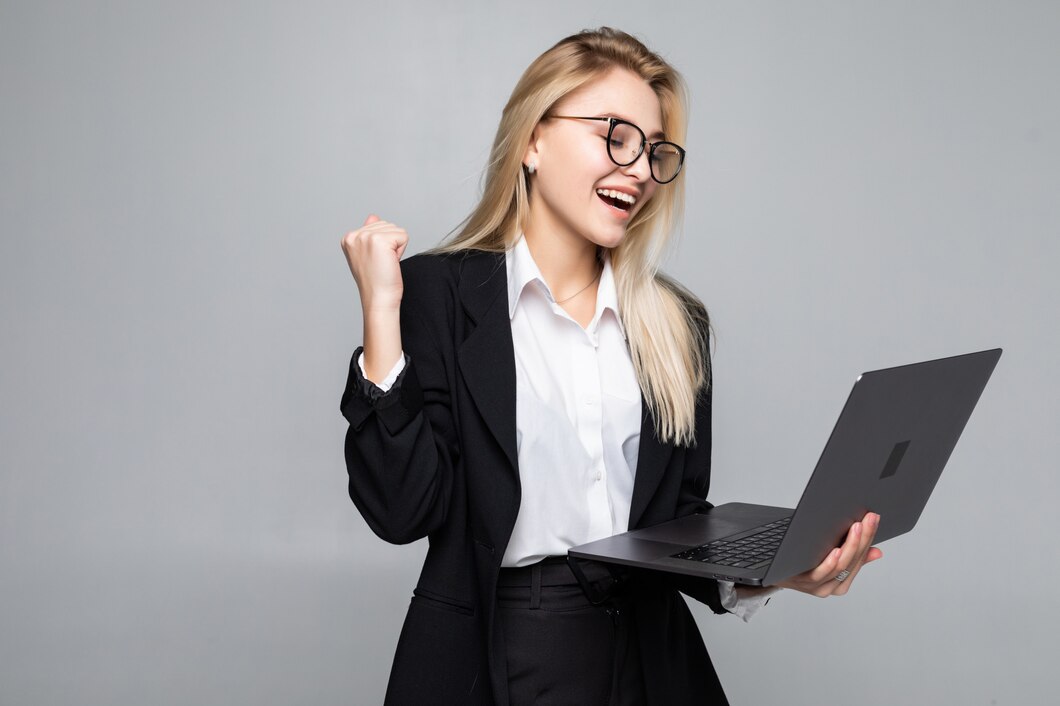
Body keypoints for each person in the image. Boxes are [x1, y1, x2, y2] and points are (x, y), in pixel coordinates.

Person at [339, 27, 882, 706]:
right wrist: (383, 317)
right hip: (502, 654)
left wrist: (775, 570)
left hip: (650, 658)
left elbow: (677, 521)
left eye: (655, 153)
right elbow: (402, 510)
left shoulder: (675, 324)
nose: (638, 168)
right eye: (615, 135)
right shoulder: (437, 298)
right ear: (534, 140)